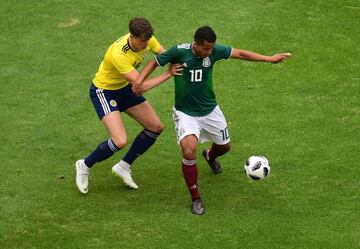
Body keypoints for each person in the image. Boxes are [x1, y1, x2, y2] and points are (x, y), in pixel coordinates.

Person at [135, 26, 290, 214]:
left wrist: (269, 58)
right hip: (186, 113)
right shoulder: (179, 52)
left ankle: (210, 156)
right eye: (206, 49)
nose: (210, 52)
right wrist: (139, 81)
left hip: (210, 110)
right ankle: (196, 198)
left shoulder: (214, 51)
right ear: (197, 45)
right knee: (189, 150)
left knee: (225, 147)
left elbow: (240, 53)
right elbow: (154, 62)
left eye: (211, 48)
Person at [75, 17, 182, 194]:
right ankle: (84, 165)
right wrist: (169, 74)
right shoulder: (118, 54)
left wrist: (180, 62)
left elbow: (165, 55)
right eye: (142, 41)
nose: (146, 45)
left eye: (148, 40)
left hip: (124, 88)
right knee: (120, 140)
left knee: (155, 127)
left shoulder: (147, 39)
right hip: (105, 91)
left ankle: (124, 166)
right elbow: (141, 86)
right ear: (131, 36)